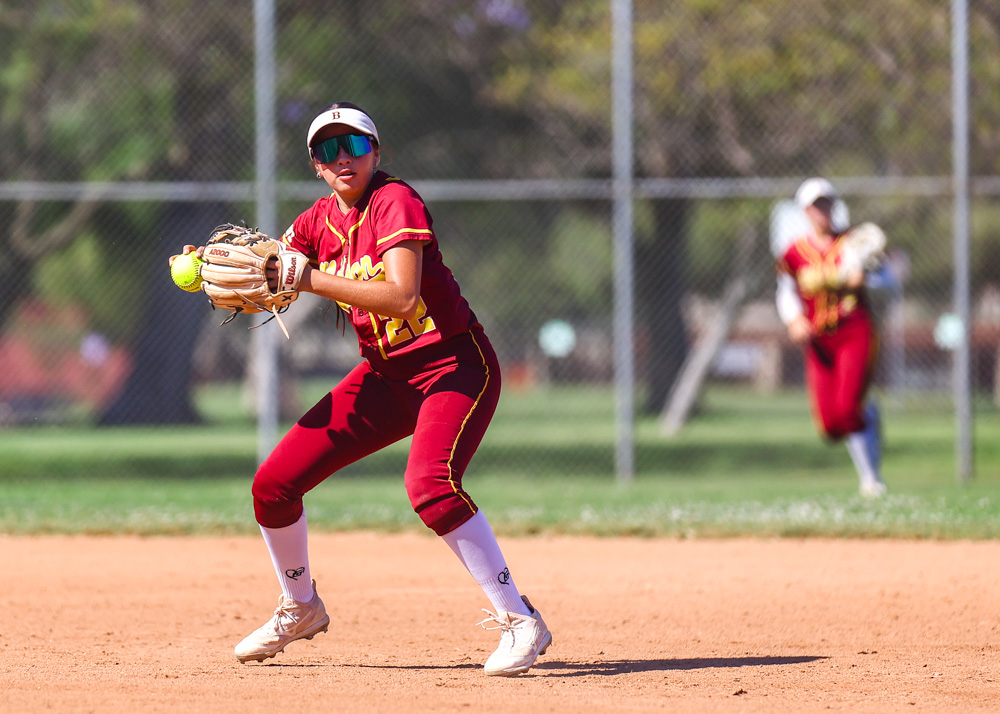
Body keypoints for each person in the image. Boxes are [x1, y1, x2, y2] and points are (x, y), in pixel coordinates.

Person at [171, 102, 551, 676]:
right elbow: (271, 269)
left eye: (354, 144)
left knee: (430, 486)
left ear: (377, 151)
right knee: (273, 486)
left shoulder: (395, 202)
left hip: (453, 368)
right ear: (315, 165)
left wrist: (309, 277)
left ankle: (520, 619)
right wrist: (213, 266)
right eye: (328, 150)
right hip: (385, 376)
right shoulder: (317, 221)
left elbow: (401, 296)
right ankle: (300, 606)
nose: (342, 158)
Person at [775, 177, 888, 498]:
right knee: (830, 427)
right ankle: (870, 416)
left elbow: (889, 280)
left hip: (854, 332)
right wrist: (794, 320)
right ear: (805, 211)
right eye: (816, 205)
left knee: (848, 409)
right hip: (819, 341)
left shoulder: (853, 243)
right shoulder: (794, 252)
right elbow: (785, 291)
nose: (822, 211)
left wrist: (866, 278)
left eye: (826, 203)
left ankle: (871, 480)